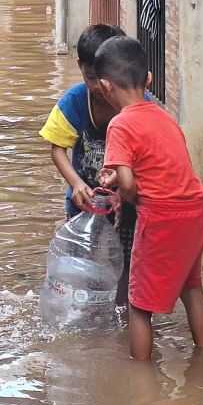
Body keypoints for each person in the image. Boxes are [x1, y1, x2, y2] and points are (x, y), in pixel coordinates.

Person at [94, 36, 203, 360]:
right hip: (192, 210)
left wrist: (126, 193)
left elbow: (128, 181)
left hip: (159, 216)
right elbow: (163, 164)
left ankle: (142, 377)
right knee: (192, 287)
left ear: (105, 86)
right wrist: (124, 178)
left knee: (140, 305)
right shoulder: (164, 116)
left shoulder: (120, 124)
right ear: (148, 79)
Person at [40, 24, 155, 306]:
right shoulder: (75, 102)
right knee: (82, 261)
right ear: (80, 67)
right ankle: (88, 307)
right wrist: (77, 184)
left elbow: (150, 157)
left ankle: (124, 308)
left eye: (104, 79)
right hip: (85, 202)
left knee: (128, 259)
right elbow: (57, 148)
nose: (98, 87)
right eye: (91, 78)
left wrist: (125, 194)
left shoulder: (138, 105)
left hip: (128, 202)